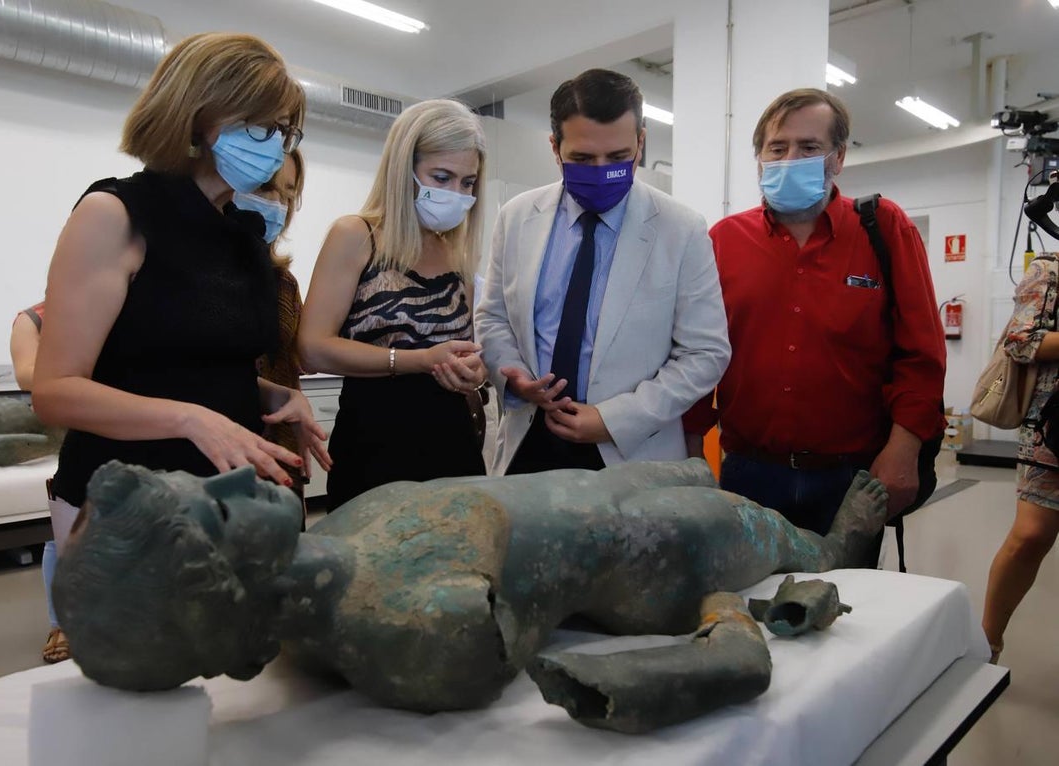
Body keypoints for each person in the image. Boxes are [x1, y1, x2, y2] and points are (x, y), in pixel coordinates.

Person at [53, 457, 889, 732]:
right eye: (218, 510)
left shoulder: (330, 539)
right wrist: (723, 623)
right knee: (787, 539)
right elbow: (508, 645)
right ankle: (834, 550)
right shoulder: (413, 628)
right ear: (225, 593)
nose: (237, 476)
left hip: (601, 483)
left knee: (695, 476)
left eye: (204, 479)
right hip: (653, 557)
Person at [31, 32, 326, 598]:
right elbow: (56, 391)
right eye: (262, 127)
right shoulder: (115, 214)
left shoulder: (239, 233)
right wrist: (192, 419)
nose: (276, 147)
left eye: (285, 131)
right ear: (196, 115)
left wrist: (274, 395)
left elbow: (199, 366)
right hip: (129, 501)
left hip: (225, 495)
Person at [683, 88, 946, 553]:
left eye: (809, 147)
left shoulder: (883, 229)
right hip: (749, 474)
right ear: (759, 159)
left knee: (846, 596)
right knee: (749, 592)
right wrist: (689, 455)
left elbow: (921, 353)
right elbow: (699, 355)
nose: (790, 160)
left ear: (838, 157)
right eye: (777, 148)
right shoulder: (723, 241)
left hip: (851, 476)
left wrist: (903, 450)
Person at [474, 68, 730, 476]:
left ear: (640, 142)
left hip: (630, 450)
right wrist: (513, 376)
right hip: (530, 439)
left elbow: (705, 353)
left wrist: (614, 420)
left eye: (617, 157)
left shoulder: (681, 230)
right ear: (555, 146)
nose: (601, 170)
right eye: (582, 158)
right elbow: (493, 316)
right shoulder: (517, 217)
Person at [298, 99, 488, 510]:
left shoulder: (458, 255)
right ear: (404, 170)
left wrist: (475, 370)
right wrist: (419, 361)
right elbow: (313, 348)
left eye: (467, 183)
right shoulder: (357, 236)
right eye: (442, 177)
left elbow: (469, 348)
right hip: (375, 445)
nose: (456, 194)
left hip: (453, 443)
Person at [982, 253, 1059, 663]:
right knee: (1030, 536)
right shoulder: (1049, 270)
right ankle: (988, 644)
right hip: (1052, 429)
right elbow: (1021, 340)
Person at [247, 150, 333, 499]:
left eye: (287, 195)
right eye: (265, 188)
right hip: (220, 451)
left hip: (279, 449)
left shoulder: (283, 283)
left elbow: (298, 360)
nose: (277, 205)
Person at [9, 302, 72, 662]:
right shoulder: (31, 321)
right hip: (64, 429)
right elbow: (27, 375)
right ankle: (61, 625)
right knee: (59, 529)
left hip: (120, 422)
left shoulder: (117, 304)